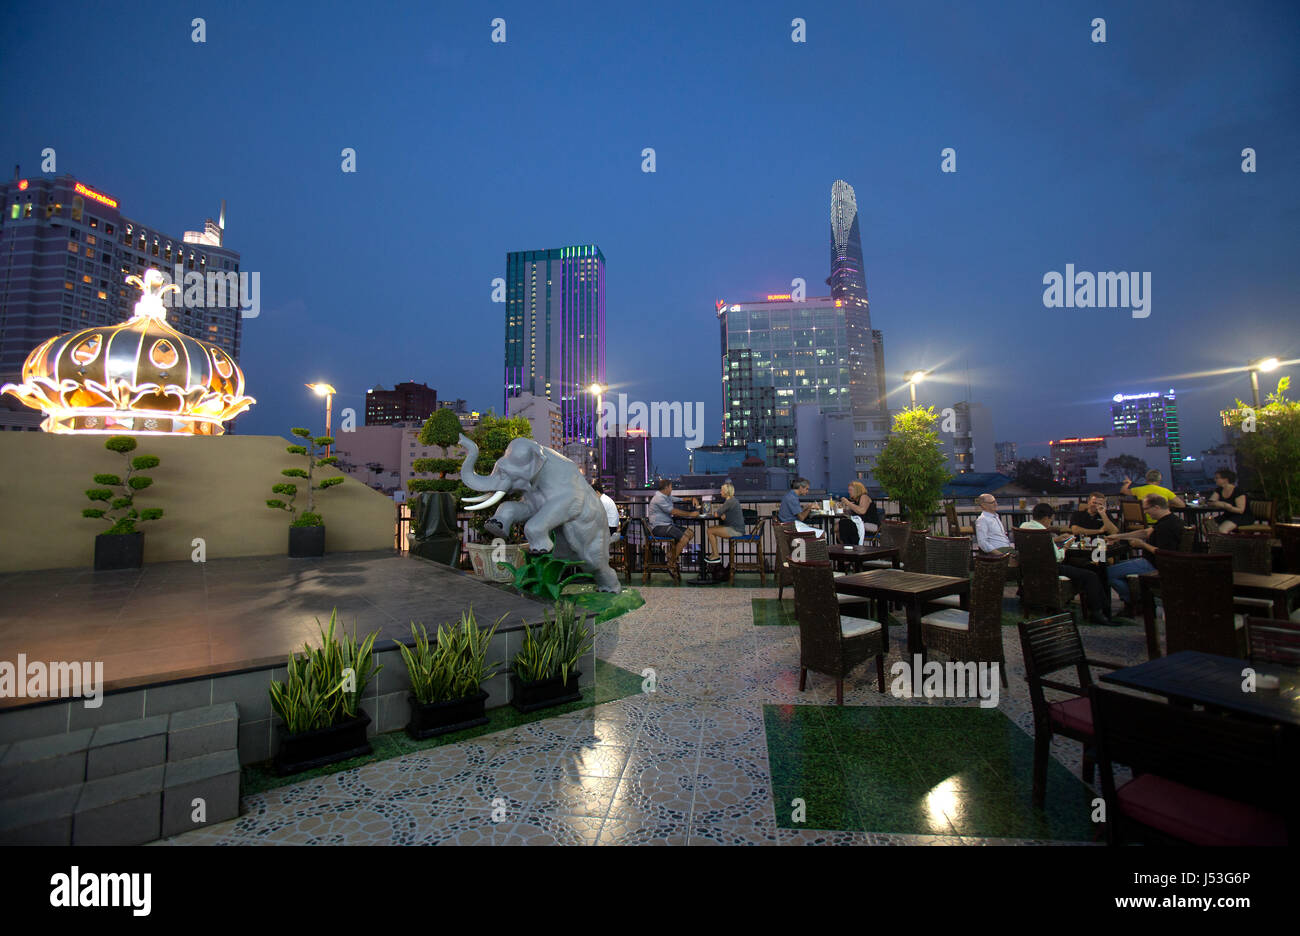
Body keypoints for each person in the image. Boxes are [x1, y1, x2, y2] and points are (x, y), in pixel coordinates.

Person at [1021, 503, 1113, 625]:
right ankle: (1098, 612)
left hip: (1032, 568)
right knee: (1091, 575)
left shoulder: (1024, 526)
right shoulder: (1043, 532)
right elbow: (1058, 557)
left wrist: (1055, 540)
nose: (1050, 522)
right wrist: (1065, 546)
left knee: (1085, 570)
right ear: (1046, 518)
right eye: (1051, 520)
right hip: (1051, 568)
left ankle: (1099, 609)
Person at [1104, 494, 1186, 617]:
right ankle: (1137, 600)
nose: (1145, 512)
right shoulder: (1170, 520)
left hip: (1154, 564)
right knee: (1117, 567)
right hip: (1152, 561)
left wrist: (1142, 545)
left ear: (1156, 507)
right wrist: (1118, 537)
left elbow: (1163, 552)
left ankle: (1135, 602)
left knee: (1107, 572)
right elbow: (1145, 532)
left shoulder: (1166, 527)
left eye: (1147, 509)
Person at [647, 479, 700, 581]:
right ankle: (671, 562)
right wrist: (690, 514)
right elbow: (673, 511)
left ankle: (671, 554)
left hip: (667, 525)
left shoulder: (666, 497)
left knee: (690, 533)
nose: (672, 489)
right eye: (671, 487)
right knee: (684, 539)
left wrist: (691, 498)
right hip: (658, 527)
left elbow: (678, 500)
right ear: (666, 488)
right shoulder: (659, 499)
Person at [701, 481, 745, 580]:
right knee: (711, 530)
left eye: (722, 490)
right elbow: (724, 516)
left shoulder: (729, 501)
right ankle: (714, 554)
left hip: (735, 531)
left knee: (710, 531)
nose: (720, 492)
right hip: (736, 529)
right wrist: (723, 515)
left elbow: (717, 514)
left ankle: (715, 555)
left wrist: (720, 514)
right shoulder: (732, 501)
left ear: (726, 492)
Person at [1205, 468, 1249, 533]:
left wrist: (1227, 506)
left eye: (1217, 478)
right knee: (1206, 525)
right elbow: (1211, 502)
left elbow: (1240, 510)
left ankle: (1225, 542)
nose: (1215, 480)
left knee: (1222, 530)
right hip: (1228, 515)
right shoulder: (1219, 490)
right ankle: (1215, 541)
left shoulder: (1238, 491)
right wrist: (1218, 503)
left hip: (1242, 516)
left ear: (1225, 480)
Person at [837, 481, 879, 545]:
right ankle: (845, 545)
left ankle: (851, 545)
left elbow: (862, 511)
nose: (849, 492)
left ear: (857, 490)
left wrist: (848, 503)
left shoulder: (864, 497)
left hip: (870, 523)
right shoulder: (856, 500)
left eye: (850, 490)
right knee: (838, 526)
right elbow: (855, 512)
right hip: (860, 521)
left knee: (844, 526)